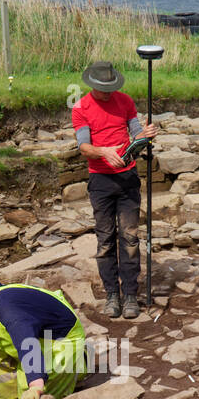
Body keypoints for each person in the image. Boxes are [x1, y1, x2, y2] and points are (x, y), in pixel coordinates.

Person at [72, 60, 159, 319]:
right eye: (102, 88)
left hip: (127, 178)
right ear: (92, 85)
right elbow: (83, 147)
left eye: (111, 87)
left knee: (130, 238)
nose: (108, 92)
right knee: (105, 241)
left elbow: (136, 134)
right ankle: (112, 294)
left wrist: (146, 134)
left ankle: (130, 294)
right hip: (100, 181)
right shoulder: (81, 107)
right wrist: (103, 152)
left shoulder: (125, 101)